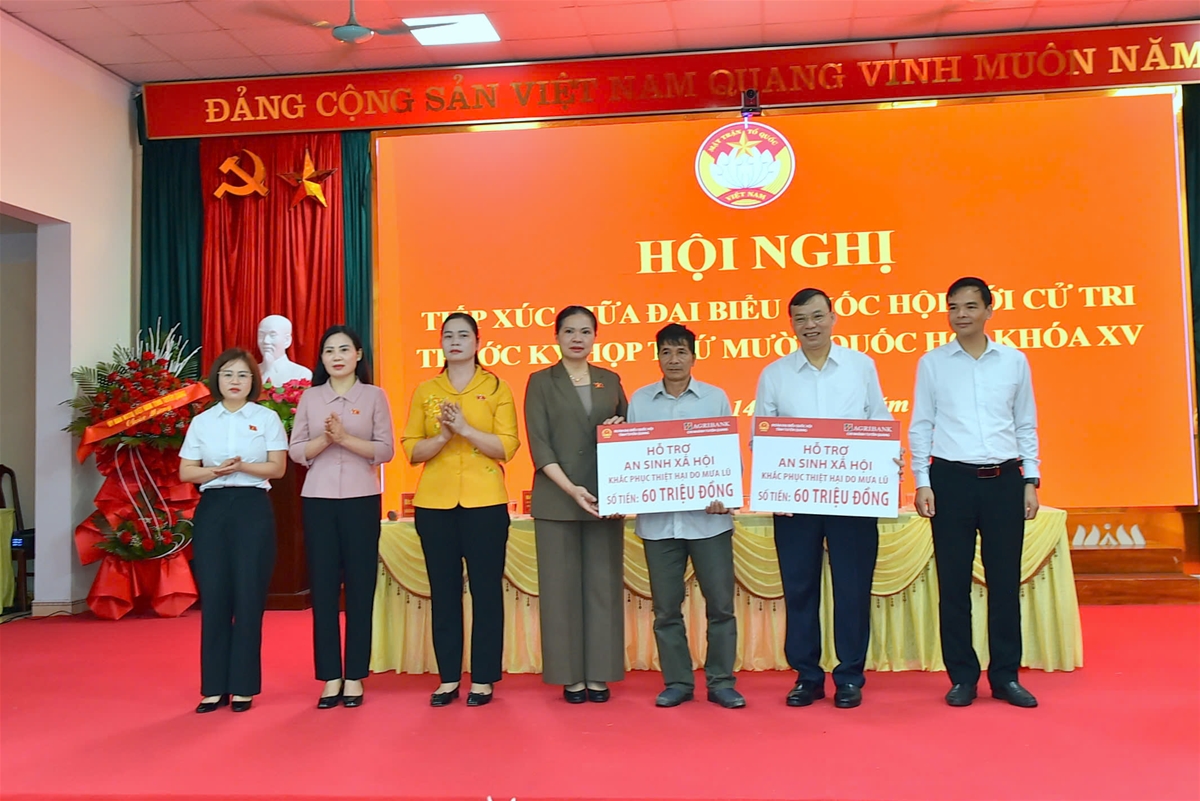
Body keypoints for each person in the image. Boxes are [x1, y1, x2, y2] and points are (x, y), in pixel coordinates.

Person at [755, 288, 892, 709]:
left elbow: (878, 419)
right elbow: (762, 435)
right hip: (796, 503)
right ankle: (807, 676)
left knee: (853, 588)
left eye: (817, 316)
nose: (809, 325)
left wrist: (888, 460)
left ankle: (849, 676)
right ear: (791, 325)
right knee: (799, 589)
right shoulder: (774, 374)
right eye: (800, 318)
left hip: (852, 499)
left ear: (833, 317)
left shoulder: (860, 366)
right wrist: (772, 479)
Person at [909, 276, 1041, 709]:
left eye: (969, 306)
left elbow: (1025, 423)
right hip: (951, 481)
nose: (960, 315)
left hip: (1004, 481)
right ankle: (962, 677)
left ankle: (1005, 677)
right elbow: (921, 425)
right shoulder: (932, 363)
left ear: (988, 310)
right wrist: (922, 481)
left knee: (1004, 584)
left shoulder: (1014, 361)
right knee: (953, 586)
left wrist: (1030, 478)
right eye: (953, 307)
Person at [402, 312, 520, 708]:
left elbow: (507, 445)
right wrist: (442, 436)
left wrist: (466, 430)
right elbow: (411, 449)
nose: (455, 341)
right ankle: (448, 678)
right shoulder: (426, 390)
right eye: (448, 335)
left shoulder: (496, 387)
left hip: (485, 502)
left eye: (463, 335)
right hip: (435, 504)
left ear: (477, 342)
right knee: (444, 592)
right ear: (440, 343)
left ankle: (483, 678)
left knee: (486, 592)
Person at [627, 324, 744, 710]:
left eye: (681, 352)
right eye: (666, 352)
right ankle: (677, 682)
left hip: (708, 522)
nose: (673, 360)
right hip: (659, 524)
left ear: (694, 357)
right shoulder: (640, 402)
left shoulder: (714, 398)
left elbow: (729, 455)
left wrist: (726, 495)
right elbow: (631, 460)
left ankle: (721, 682)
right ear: (657, 357)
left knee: (721, 606)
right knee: (665, 610)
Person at [524, 305, 628, 703]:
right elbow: (539, 444)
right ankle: (569, 676)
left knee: (603, 587)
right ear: (556, 336)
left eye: (585, 331)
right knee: (560, 591)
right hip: (557, 498)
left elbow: (630, 432)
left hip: (604, 498)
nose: (577, 338)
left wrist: (622, 427)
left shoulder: (610, 380)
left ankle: (600, 674)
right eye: (569, 331)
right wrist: (571, 489)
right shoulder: (540, 381)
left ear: (595, 336)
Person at [289, 325, 394, 709]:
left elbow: (385, 450)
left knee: (360, 588)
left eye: (344, 349)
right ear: (322, 358)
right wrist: (325, 440)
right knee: (323, 587)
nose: (336, 356)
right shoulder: (310, 397)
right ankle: (331, 675)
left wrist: (345, 438)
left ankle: (355, 676)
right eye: (329, 350)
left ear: (358, 354)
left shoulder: (374, 396)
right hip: (318, 500)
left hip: (361, 499)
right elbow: (296, 450)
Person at [179, 348, 287, 714]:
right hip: (212, 508)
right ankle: (213, 688)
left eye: (242, 375)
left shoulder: (267, 418)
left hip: (252, 508)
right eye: (227, 374)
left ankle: (243, 686)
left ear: (253, 380)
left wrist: (242, 467)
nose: (235, 381)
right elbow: (186, 471)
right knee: (215, 597)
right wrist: (216, 471)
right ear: (217, 380)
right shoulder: (203, 421)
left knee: (248, 596)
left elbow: (277, 468)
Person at [257, 314, 313, 387]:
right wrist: (267, 371)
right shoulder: (250, 371)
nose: (265, 341)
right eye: (261, 335)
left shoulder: (301, 373)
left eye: (272, 335)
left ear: (287, 340)